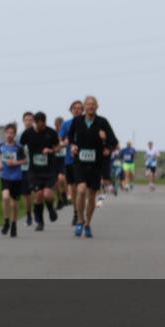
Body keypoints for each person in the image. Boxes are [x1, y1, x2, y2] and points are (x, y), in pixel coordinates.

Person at [69, 96, 118, 239]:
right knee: (81, 189)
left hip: (96, 164)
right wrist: (73, 145)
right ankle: (80, 220)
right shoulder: (77, 121)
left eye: (93, 104)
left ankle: (88, 224)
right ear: (84, 106)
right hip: (80, 161)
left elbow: (114, 142)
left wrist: (105, 139)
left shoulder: (102, 122)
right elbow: (70, 137)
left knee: (91, 196)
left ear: (97, 106)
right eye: (88, 104)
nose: (90, 106)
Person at [20, 111, 61, 230]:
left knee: (47, 194)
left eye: (43, 124)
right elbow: (21, 145)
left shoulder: (51, 132)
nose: (41, 127)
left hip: (49, 169)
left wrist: (51, 150)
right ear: (35, 122)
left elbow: (58, 147)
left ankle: (51, 208)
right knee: (38, 196)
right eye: (39, 124)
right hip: (34, 170)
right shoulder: (28, 133)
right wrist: (21, 157)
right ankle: (40, 222)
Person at [58, 100, 84, 230]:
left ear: (83, 110)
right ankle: (76, 212)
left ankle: (81, 211)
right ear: (71, 110)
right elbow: (59, 139)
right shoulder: (66, 124)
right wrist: (64, 143)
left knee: (83, 188)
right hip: (70, 160)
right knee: (73, 189)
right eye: (75, 108)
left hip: (84, 161)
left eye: (79, 108)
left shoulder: (87, 123)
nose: (77, 110)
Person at [0, 123, 27, 237]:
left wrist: (15, 163)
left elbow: (25, 161)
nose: (9, 135)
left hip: (16, 177)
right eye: (8, 133)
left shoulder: (19, 147)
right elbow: (0, 157)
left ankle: (14, 224)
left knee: (14, 205)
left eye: (12, 133)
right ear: (5, 133)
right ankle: (6, 221)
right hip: (4, 176)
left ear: (14, 134)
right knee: (5, 197)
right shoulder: (0, 146)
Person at [18, 112, 35, 225]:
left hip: (35, 168)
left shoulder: (37, 134)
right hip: (23, 168)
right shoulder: (18, 136)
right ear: (23, 121)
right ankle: (28, 214)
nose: (28, 122)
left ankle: (37, 212)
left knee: (36, 192)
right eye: (26, 120)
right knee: (26, 194)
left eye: (30, 120)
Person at [52, 116, 69, 208]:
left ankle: (65, 195)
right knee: (55, 182)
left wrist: (60, 146)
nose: (59, 127)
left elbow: (66, 142)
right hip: (54, 160)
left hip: (63, 159)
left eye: (61, 126)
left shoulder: (66, 134)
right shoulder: (52, 133)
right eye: (57, 125)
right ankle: (59, 199)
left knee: (61, 178)